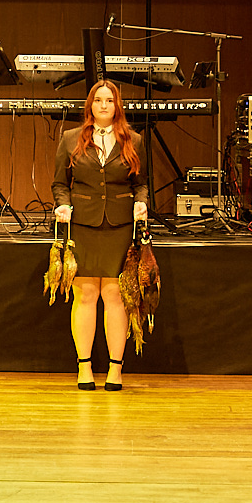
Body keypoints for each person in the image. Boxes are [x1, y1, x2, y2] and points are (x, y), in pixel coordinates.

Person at [53, 79, 149, 391]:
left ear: (116, 105)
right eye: (98, 100)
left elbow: (141, 184)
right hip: (83, 224)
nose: (104, 105)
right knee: (85, 295)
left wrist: (142, 203)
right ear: (90, 105)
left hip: (119, 226)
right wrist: (63, 204)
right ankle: (84, 368)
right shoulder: (70, 138)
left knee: (114, 296)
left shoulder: (134, 139)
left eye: (109, 100)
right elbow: (60, 183)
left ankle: (115, 370)